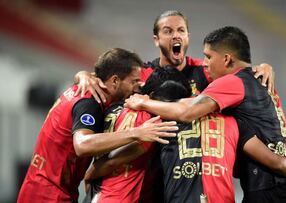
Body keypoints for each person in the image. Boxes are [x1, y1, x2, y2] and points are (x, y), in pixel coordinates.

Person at [125, 26, 286, 203]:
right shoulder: (263, 83)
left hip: (267, 186)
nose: (205, 63)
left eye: (209, 57)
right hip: (283, 184)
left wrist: (145, 102)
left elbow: (188, 111)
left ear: (227, 59)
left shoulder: (233, 82)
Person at [84, 66, 286, 203]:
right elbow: (275, 162)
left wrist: (90, 173)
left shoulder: (159, 123)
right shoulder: (233, 121)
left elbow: (111, 161)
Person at [17, 48, 177, 203]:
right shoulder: (90, 103)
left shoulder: (85, 89)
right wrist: (137, 133)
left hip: (38, 186)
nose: (138, 86)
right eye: (133, 81)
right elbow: (82, 145)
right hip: (51, 194)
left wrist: (81, 74)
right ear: (114, 80)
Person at [74, 10, 275, 103]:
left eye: (181, 30)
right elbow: (104, 78)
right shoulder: (142, 72)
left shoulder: (205, 70)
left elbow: (238, 74)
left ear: (188, 37)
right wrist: (82, 75)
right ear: (156, 39)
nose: (176, 35)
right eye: (168, 31)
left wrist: (263, 67)